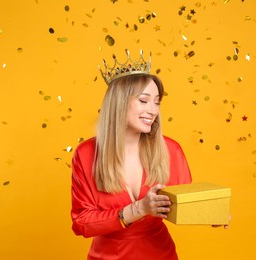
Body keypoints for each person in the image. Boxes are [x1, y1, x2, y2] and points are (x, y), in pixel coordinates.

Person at [71, 50, 192, 260]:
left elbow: (188, 203)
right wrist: (139, 209)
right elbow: (82, 223)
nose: (153, 110)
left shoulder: (170, 149)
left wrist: (212, 212)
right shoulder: (87, 153)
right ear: (119, 102)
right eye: (144, 101)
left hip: (160, 254)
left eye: (157, 102)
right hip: (108, 256)